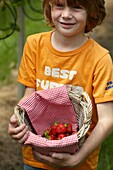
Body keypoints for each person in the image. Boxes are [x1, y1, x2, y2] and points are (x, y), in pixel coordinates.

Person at [8, 0, 113, 169]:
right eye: (59, 5)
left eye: (77, 7)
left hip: (79, 161)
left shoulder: (99, 59)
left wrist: (77, 158)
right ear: (49, 7)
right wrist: (17, 119)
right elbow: (30, 95)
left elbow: (107, 119)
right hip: (37, 157)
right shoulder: (34, 45)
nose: (65, 14)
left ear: (92, 11)